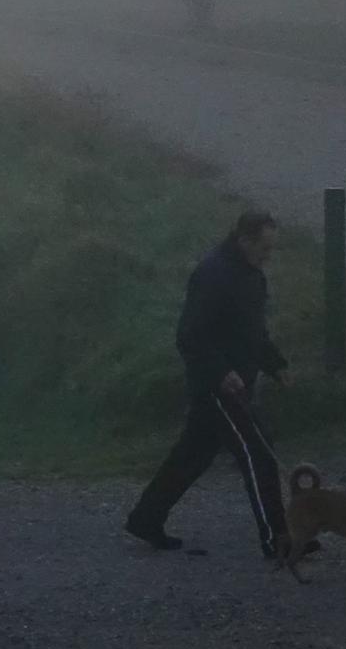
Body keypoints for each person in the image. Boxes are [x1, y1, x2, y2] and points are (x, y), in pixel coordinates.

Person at [125, 209, 301, 558]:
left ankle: (146, 518)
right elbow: (190, 336)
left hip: (237, 382)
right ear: (244, 239)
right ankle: (278, 539)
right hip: (219, 387)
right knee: (259, 455)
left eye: (272, 249)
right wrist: (221, 373)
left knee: (191, 455)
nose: (269, 256)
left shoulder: (252, 276)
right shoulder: (213, 275)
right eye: (264, 248)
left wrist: (275, 365)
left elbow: (253, 333)